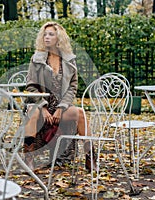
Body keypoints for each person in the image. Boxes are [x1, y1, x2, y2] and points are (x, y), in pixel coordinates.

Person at [23, 21, 96, 171]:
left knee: (81, 114)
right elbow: (31, 86)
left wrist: (61, 108)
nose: (47, 37)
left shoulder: (69, 60)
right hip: (40, 105)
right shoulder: (36, 59)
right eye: (45, 34)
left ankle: (90, 157)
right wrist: (42, 106)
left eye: (51, 34)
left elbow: (73, 87)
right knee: (32, 112)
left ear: (59, 38)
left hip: (60, 108)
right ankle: (28, 158)